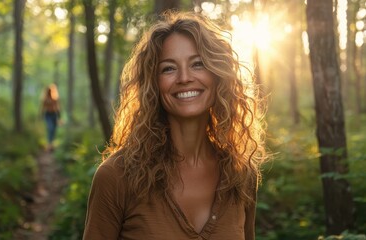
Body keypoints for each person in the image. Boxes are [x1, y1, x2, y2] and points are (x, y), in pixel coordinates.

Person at [83, 11, 267, 240]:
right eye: (169, 68)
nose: (184, 78)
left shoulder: (240, 174)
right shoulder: (116, 176)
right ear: (153, 84)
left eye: (198, 64)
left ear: (218, 75)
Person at [41, 83, 61, 151]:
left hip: (54, 115)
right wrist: (41, 116)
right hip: (48, 115)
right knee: (50, 128)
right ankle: (49, 144)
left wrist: (59, 117)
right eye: (48, 91)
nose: (49, 92)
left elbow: (57, 108)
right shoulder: (45, 99)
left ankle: (51, 144)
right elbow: (43, 108)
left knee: (54, 130)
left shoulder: (55, 98)